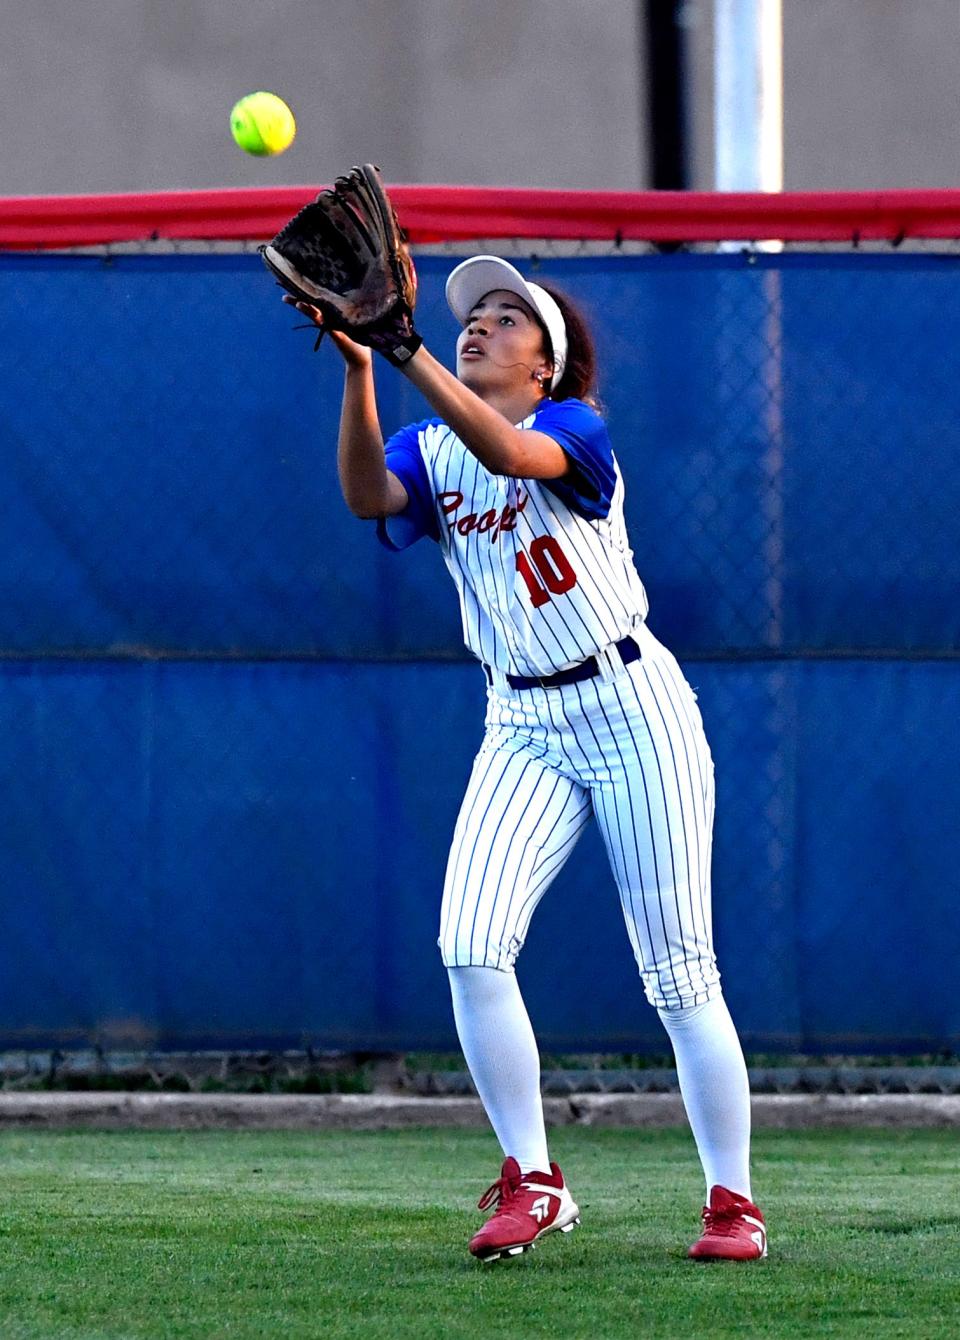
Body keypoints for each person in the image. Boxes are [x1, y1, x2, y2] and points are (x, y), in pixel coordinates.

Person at [284, 256, 767, 1264]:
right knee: (470, 940)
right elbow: (368, 490)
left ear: (547, 367)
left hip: (632, 703)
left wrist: (404, 346)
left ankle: (732, 1201)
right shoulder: (429, 439)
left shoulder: (574, 427)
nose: (480, 326)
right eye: (473, 317)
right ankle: (536, 1179)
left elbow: (507, 454)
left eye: (507, 320)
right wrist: (359, 372)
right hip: (523, 721)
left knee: (680, 974)